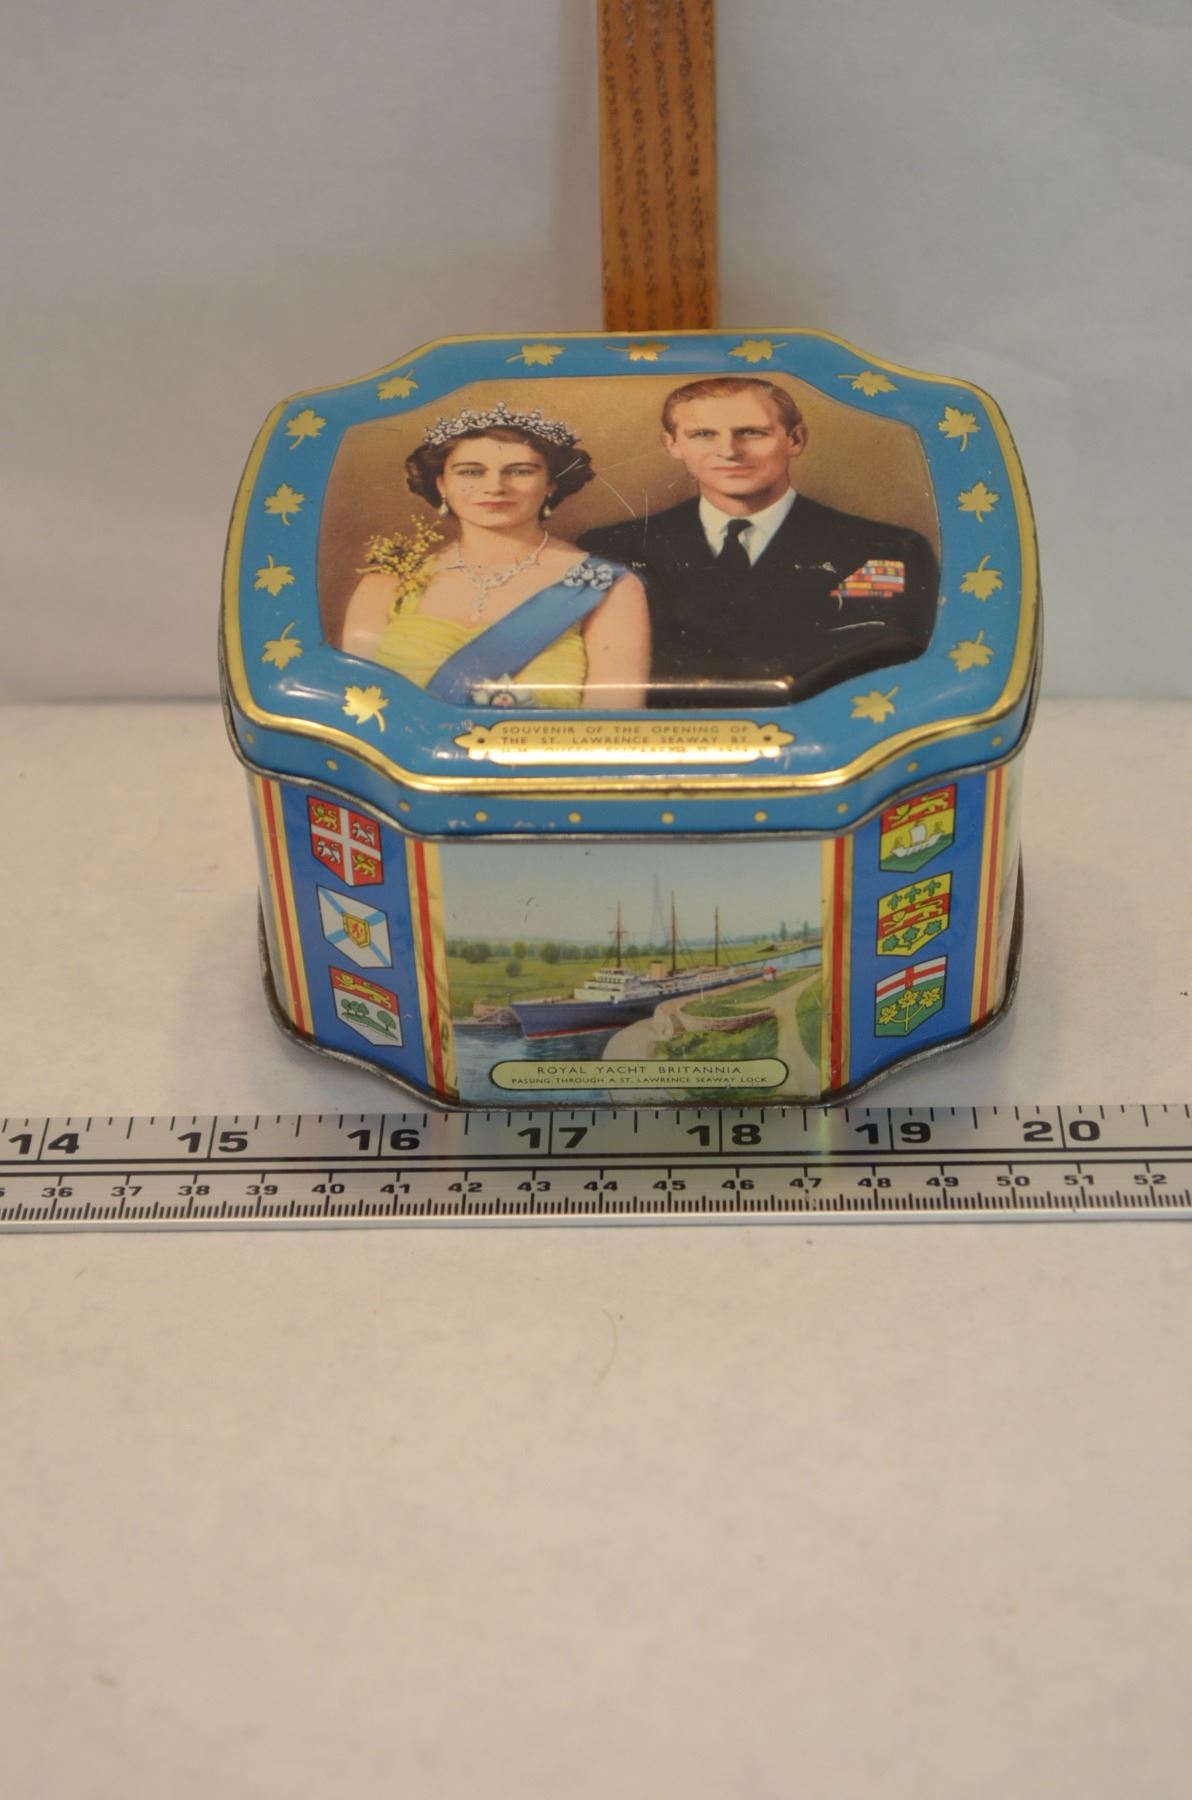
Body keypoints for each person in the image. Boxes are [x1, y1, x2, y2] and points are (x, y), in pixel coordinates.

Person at [579, 375, 939, 708]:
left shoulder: (884, 549)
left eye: (751, 432)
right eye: (703, 434)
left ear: (795, 439)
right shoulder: (614, 548)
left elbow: (881, 669)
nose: (729, 451)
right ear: (672, 444)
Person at [341, 403, 649, 710]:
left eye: (520, 471)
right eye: (471, 472)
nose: (495, 487)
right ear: (441, 483)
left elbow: (609, 725)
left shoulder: (608, 586)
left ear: (551, 484)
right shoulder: (388, 583)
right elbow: (354, 712)